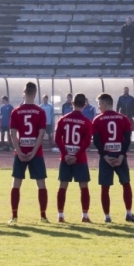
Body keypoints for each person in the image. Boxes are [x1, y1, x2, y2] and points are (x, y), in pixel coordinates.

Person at [92, 93, 134, 223]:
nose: (98, 106)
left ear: (105, 104)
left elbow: (96, 141)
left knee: (105, 187)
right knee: (126, 184)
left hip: (106, 156)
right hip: (120, 156)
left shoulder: (97, 120)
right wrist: (121, 156)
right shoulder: (123, 119)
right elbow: (127, 140)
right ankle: (129, 213)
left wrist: (105, 156)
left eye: (100, 104)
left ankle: (107, 216)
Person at [7, 81, 50, 223]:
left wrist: (19, 152)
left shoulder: (16, 111)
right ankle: (43, 216)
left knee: (16, 184)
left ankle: (14, 216)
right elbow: (41, 134)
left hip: (20, 152)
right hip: (36, 153)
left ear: (23, 92)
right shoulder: (40, 111)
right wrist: (33, 152)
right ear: (35, 93)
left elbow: (13, 134)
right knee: (41, 184)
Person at [53, 93, 94, 223]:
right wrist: (76, 155)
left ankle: (60, 215)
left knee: (63, 186)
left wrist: (66, 154)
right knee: (84, 186)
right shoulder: (87, 122)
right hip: (80, 158)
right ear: (85, 104)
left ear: (72, 103)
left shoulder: (63, 119)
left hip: (65, 158)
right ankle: (85, 215)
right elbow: (87, 142)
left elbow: (57, 139)